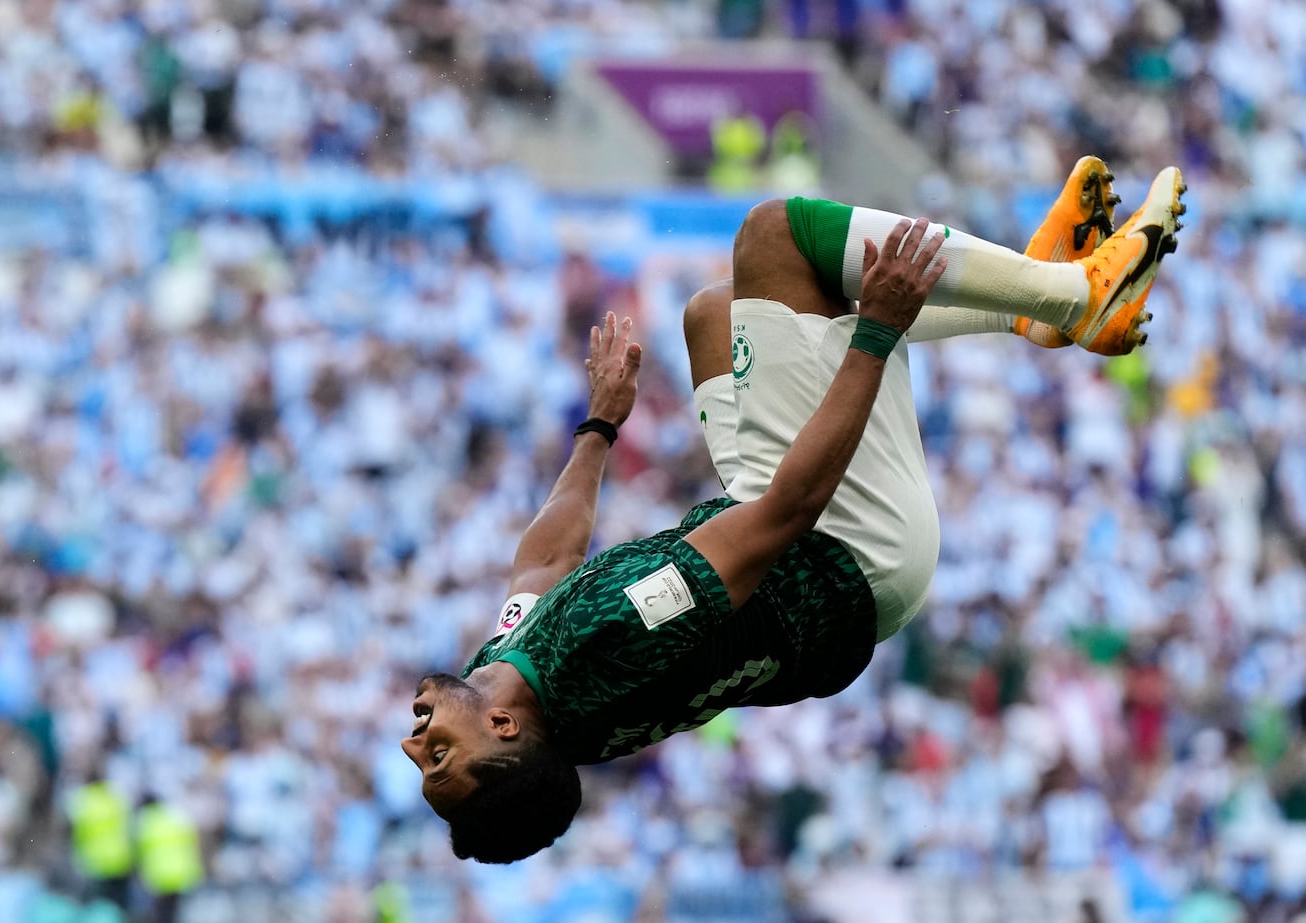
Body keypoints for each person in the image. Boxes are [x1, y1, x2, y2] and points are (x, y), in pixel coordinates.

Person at [400, 158, 1188, 864]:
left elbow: (541, 565)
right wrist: (875, 334)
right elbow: (789, 509)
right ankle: (1074, 295)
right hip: (847, 546)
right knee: (779, 240)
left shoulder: (500, 683)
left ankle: (1024, 312)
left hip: (798, 564)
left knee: (717, 313)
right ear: (504, 730)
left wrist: (600, 425)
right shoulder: (609, 641)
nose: (414, 741)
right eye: (438, 756)